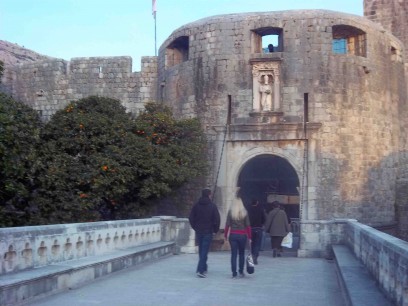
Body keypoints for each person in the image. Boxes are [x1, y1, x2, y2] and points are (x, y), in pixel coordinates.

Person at [189, 188, 220, 278]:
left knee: (202, 250)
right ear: (209, 195)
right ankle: (201, 270)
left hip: (199, 230)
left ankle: (204, 267)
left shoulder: (196, 206)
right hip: (208, 231)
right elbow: (217, 219)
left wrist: (195, 227)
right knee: (204, 251)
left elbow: (191, 217)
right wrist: (215, 230)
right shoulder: (212, 206)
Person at [224, 188, 252, 278]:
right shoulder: (245, 212)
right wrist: (250, 237)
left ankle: (234, 272)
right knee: (241, 254)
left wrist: (225, 235)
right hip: (242, 235)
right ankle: (241, 271)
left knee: (233, 254)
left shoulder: (231, 212)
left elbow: (227, 225)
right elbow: (248, 226)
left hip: (233, 234)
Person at [247, 199, 265, 264]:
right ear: (257, 202)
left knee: (251, 243)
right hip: (258, 228)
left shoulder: (248, 210)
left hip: (251, 228)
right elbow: (264, 218)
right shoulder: (260, 209)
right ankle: (255, 256)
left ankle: (252, 255)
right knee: (257, 244)